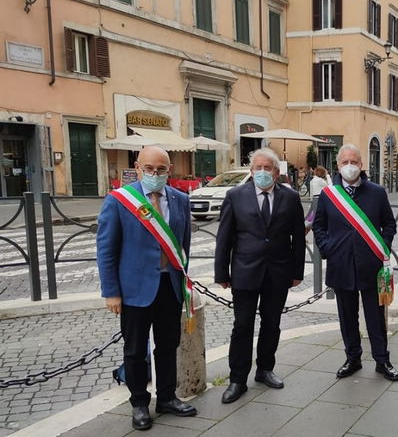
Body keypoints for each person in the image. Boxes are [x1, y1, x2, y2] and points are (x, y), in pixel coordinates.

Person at [97, 146, 197, 431]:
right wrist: (111, 291)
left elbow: (183, 245)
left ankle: (166, 397)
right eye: (149, 169)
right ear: (138, 168)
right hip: (134, 289)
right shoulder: (120, 201)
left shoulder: (180, 199)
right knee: (135, 349)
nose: (155, 174)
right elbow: (106, 250)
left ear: (170, 170)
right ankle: (139, 403)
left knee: (168, 345)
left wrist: (183, 280)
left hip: (169, 286)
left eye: (161, 169)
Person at [215, 148, 306, 404]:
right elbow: (224, 238)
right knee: (242, 326)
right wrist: (222, 272)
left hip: (278, 272)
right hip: (245, 272)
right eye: (258, 168)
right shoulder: (235, 196)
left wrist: (297, 271)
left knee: (271, 324)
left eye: (268, 168)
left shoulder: (291, 197)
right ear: (251, 170)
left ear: (277, 173)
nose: (263, 172)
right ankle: (237, 380)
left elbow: (298, 238)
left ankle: (265, 369)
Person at [312, 144, 398, 381]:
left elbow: (389, 224)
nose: (349, 166)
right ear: (338, 166)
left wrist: (383, 247)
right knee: (347, 316)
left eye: (354, 162)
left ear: (362, 165)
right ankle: (353, 358)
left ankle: (382, 360)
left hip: (371, 266)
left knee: (376, 316)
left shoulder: (377, 192)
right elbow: (318, 225)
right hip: (341, 265)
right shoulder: (329, 195)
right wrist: (327, 248)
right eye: (344, 162)